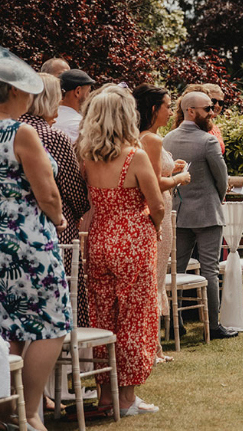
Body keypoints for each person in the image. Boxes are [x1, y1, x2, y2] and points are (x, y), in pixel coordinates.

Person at [0, 41, 70, 431]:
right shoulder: (21, 133)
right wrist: (60, 220)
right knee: (52, 323)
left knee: (8, 324)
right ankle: (31, 411)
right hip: (30, 239)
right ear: (15, 91)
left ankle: (5, 412)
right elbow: (49, 192)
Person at [79, 85, 164, 417]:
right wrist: (154, 226)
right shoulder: (134, 156)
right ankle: (126, 398)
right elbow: (156, 203)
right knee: (134, 317)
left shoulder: (85, 156)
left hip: (99, 238)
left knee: (103, 318)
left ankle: (105, 396)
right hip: (132, 240)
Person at [162, 91, 236, 340]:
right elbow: (221, 178)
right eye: (207, 108)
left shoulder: (166, 139)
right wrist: (216, 199)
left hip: (178, 213)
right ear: (190, 111)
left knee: (176, 270)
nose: (212, 112)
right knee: (210, 270)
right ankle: (213, 326)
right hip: (207, 214)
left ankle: (175, 323)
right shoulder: (208, 141)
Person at [19, 73, 91, 326]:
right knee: (61, 302)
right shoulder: (51, 136)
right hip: (55, 228)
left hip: (10, 229)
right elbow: (74, 191)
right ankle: (66, 359)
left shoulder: (6, 130)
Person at [134, 84, 192, 364]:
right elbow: (156, 184)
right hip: (158, 211)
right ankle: (151, 348)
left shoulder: (150, 137)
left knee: (156, 278)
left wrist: (174, 168)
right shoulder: (151, 140)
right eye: (168, 106)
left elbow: (158, 173)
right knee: (154, 279)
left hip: (164, 211)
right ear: (154, 109)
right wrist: (178, 179)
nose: (171, 111)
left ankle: (154, 346)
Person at [54, 69, 96, 143]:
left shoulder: (48, 118)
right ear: (78, 91)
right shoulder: (79, 125)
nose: (89, 96)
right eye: (88, 91)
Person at [201, 83, 226, 154]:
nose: (217, 105)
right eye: (213, 101)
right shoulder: (196, 125)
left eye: (220, 102)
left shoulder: (215, 128)